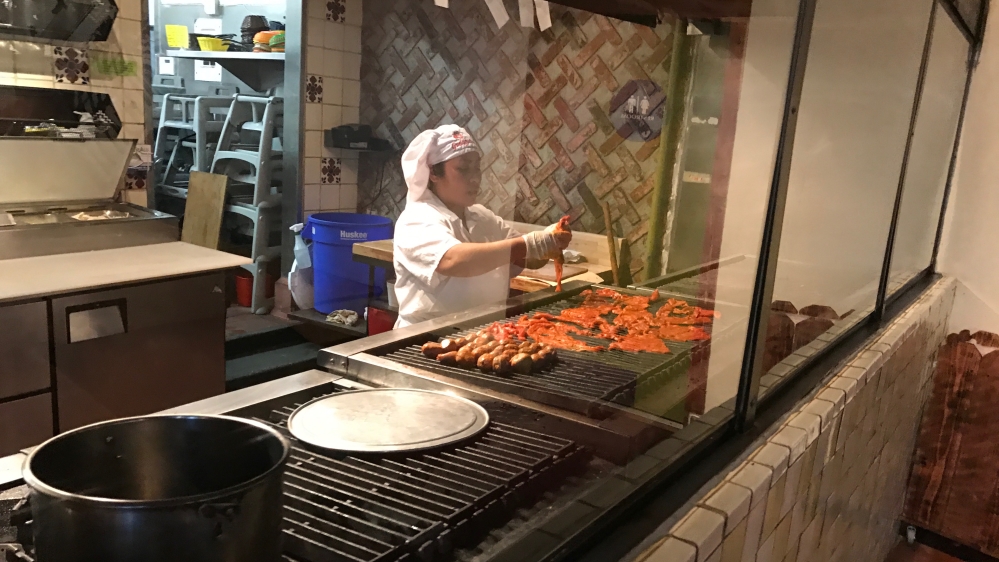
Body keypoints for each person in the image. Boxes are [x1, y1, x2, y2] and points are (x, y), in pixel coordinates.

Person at [393, 124, 572, 328]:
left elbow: (528, 258)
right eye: (463, 168)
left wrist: (549, 241)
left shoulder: (483, 217)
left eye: (477, 167)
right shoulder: (416, 219)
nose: (475, 178)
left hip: (484, 335)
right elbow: (454, 260)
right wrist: (531, 243)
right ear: (434, 172)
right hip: (425, 338)